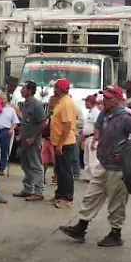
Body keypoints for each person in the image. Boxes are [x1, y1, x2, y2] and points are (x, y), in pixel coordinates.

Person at [58, 86, 131, 248]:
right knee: (92, 194)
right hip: (104, 163)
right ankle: (81, 226)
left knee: (116, 200)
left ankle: (116, 233)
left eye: (108, 98)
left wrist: (125, 152)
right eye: (105, 97)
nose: (105, 100)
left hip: (118, 168)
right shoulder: (104, 114)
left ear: (117, 99)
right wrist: (96, 140)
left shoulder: (126, 117)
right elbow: (98, 127)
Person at [15, 80, 47, 201]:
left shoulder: (37, 105)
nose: (21, 90)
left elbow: (44, 123)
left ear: (29, 91)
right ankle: (28, 189)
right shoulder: (26, 104)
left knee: (36, 165)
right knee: (26, 165)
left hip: (33, 140)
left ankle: (38, 192)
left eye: (23, 88)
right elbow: (26, 122)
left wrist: (33, 137)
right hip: (25, 140)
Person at [48, 78, 79, 208]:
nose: (54, 90)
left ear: (59, 89)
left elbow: (67, 125)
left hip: (65, 142)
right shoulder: (61, 102)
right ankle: (59, 195)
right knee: (59, 170)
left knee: (66, 170)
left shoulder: (66, 103)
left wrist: (60, 144)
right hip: (58, 141)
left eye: (55, 87)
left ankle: (67, 197)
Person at [0, 90, 20, 177]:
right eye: (1, 99)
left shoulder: (11, 109)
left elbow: (15, 122)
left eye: (4, 99)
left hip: (6, 131)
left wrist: (12, 129)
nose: (3, 100)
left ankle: (2, 168)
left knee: (4, 151)